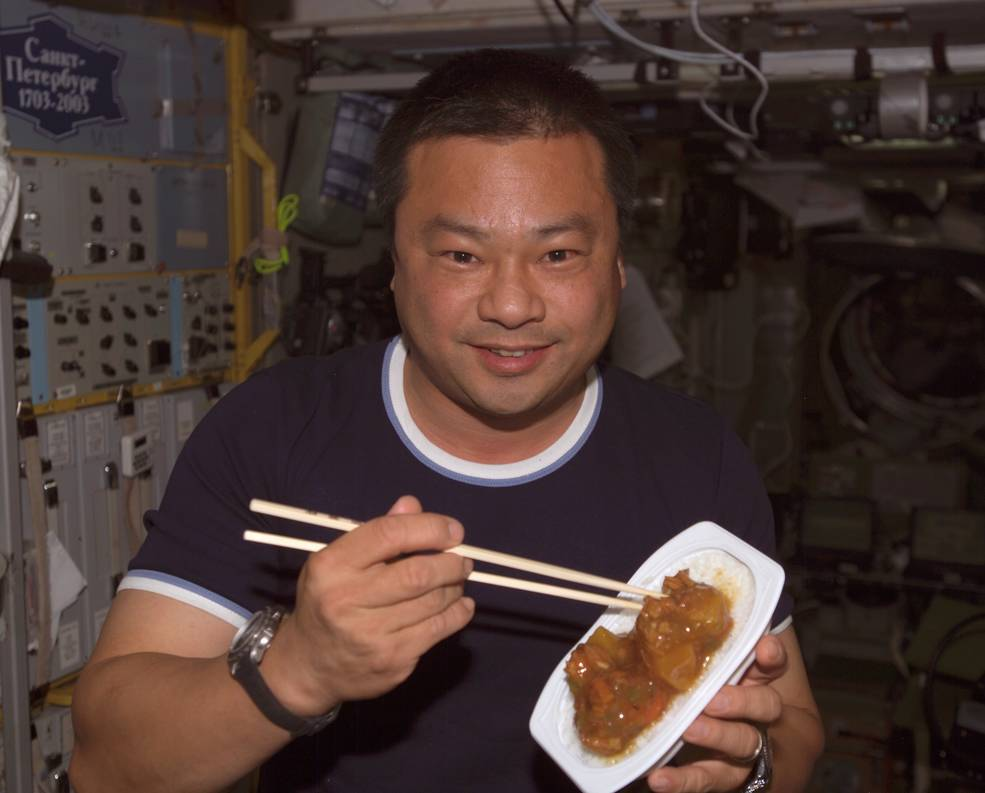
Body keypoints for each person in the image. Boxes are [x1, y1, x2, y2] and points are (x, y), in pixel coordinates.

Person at [70, 48, 823, 793]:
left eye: (557, 253)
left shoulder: (695, 456)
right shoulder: (272, 429)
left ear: (618, 267)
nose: (510, 304)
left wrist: (747, 767)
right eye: (462, 255)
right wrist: (300, 668)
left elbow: (791, 726)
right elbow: (106, 764)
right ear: (394, 266)